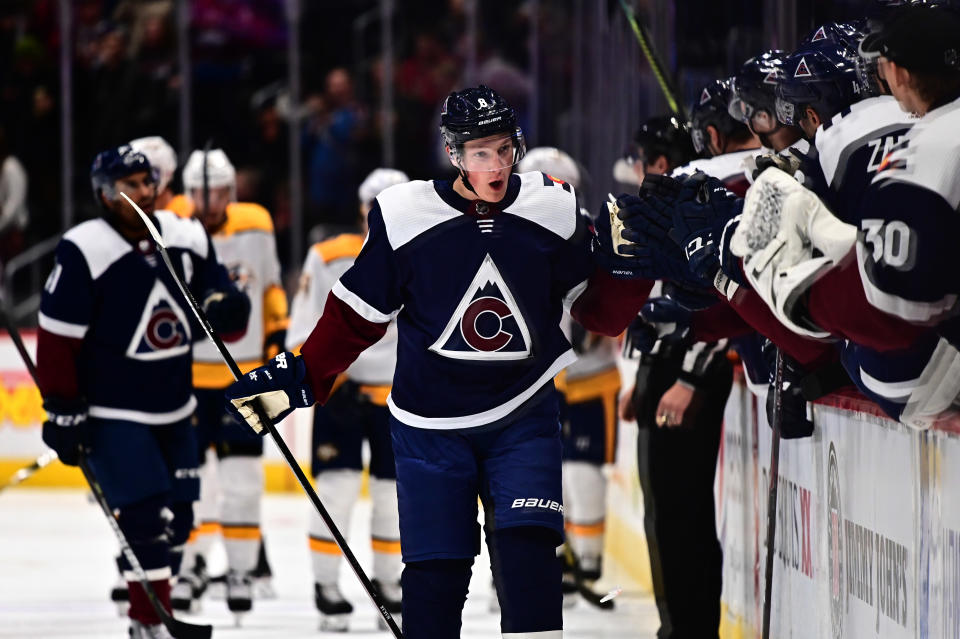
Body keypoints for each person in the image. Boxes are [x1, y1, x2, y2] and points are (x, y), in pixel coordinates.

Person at [224, 85, 652, 638]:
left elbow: (599, 315)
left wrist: (633, 269)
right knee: (436, 574)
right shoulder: (404, 216)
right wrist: (301, 376)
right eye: (481, 153)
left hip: (522, 415)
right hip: (429, 426)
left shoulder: (552, 205)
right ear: (454, 155)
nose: (497, 165)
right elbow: (356, 317)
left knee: (529, 559)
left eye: (504, 148)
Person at [36, 144, 249, 638]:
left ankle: (148, 613)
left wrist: (227, 306)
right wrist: (63, 407)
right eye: (130, 185)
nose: (143, 192)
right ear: (105, 193)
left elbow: (218, 298)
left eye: (147, 182)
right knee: (146, 515)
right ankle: (150, 619)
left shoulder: (185, 233)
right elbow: (57, 339)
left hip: (176, 404)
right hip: (114, 410)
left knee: (180, 516)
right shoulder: (84, 247)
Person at [733, 3, 960, 428]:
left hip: (934, 379)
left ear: (900, 73)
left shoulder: (927, 150)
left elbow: (898, 311)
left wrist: (804, 299)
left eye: (883, 65)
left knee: (873, 357)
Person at [286, 167, 409, 630]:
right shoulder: (329, 255)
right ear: (362, 209)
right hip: (340, 394)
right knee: (335, 493)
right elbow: (303, 326)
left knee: (391, 495)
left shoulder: (425, 253)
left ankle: (388, 583)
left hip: (395, 398)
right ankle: (326, 584)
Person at [170, 148, 287, 616]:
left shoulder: (256, 221)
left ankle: (241, 568)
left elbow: (272, 284)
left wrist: (277, 340)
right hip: (187, 376)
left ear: (231, 192)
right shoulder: (173, 225)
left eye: (218, 191)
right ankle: (189, 566)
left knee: (244, 480)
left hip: (249, 375)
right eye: (200, 192)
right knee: (188, 478)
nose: (209, 201)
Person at [519, 146, 621, 607]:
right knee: (563, 474)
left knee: (563, 475)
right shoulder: (591, 229)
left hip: (566, 374)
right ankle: (581, 563)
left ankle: (569, 562)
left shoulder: (586, 231)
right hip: (558, 374)